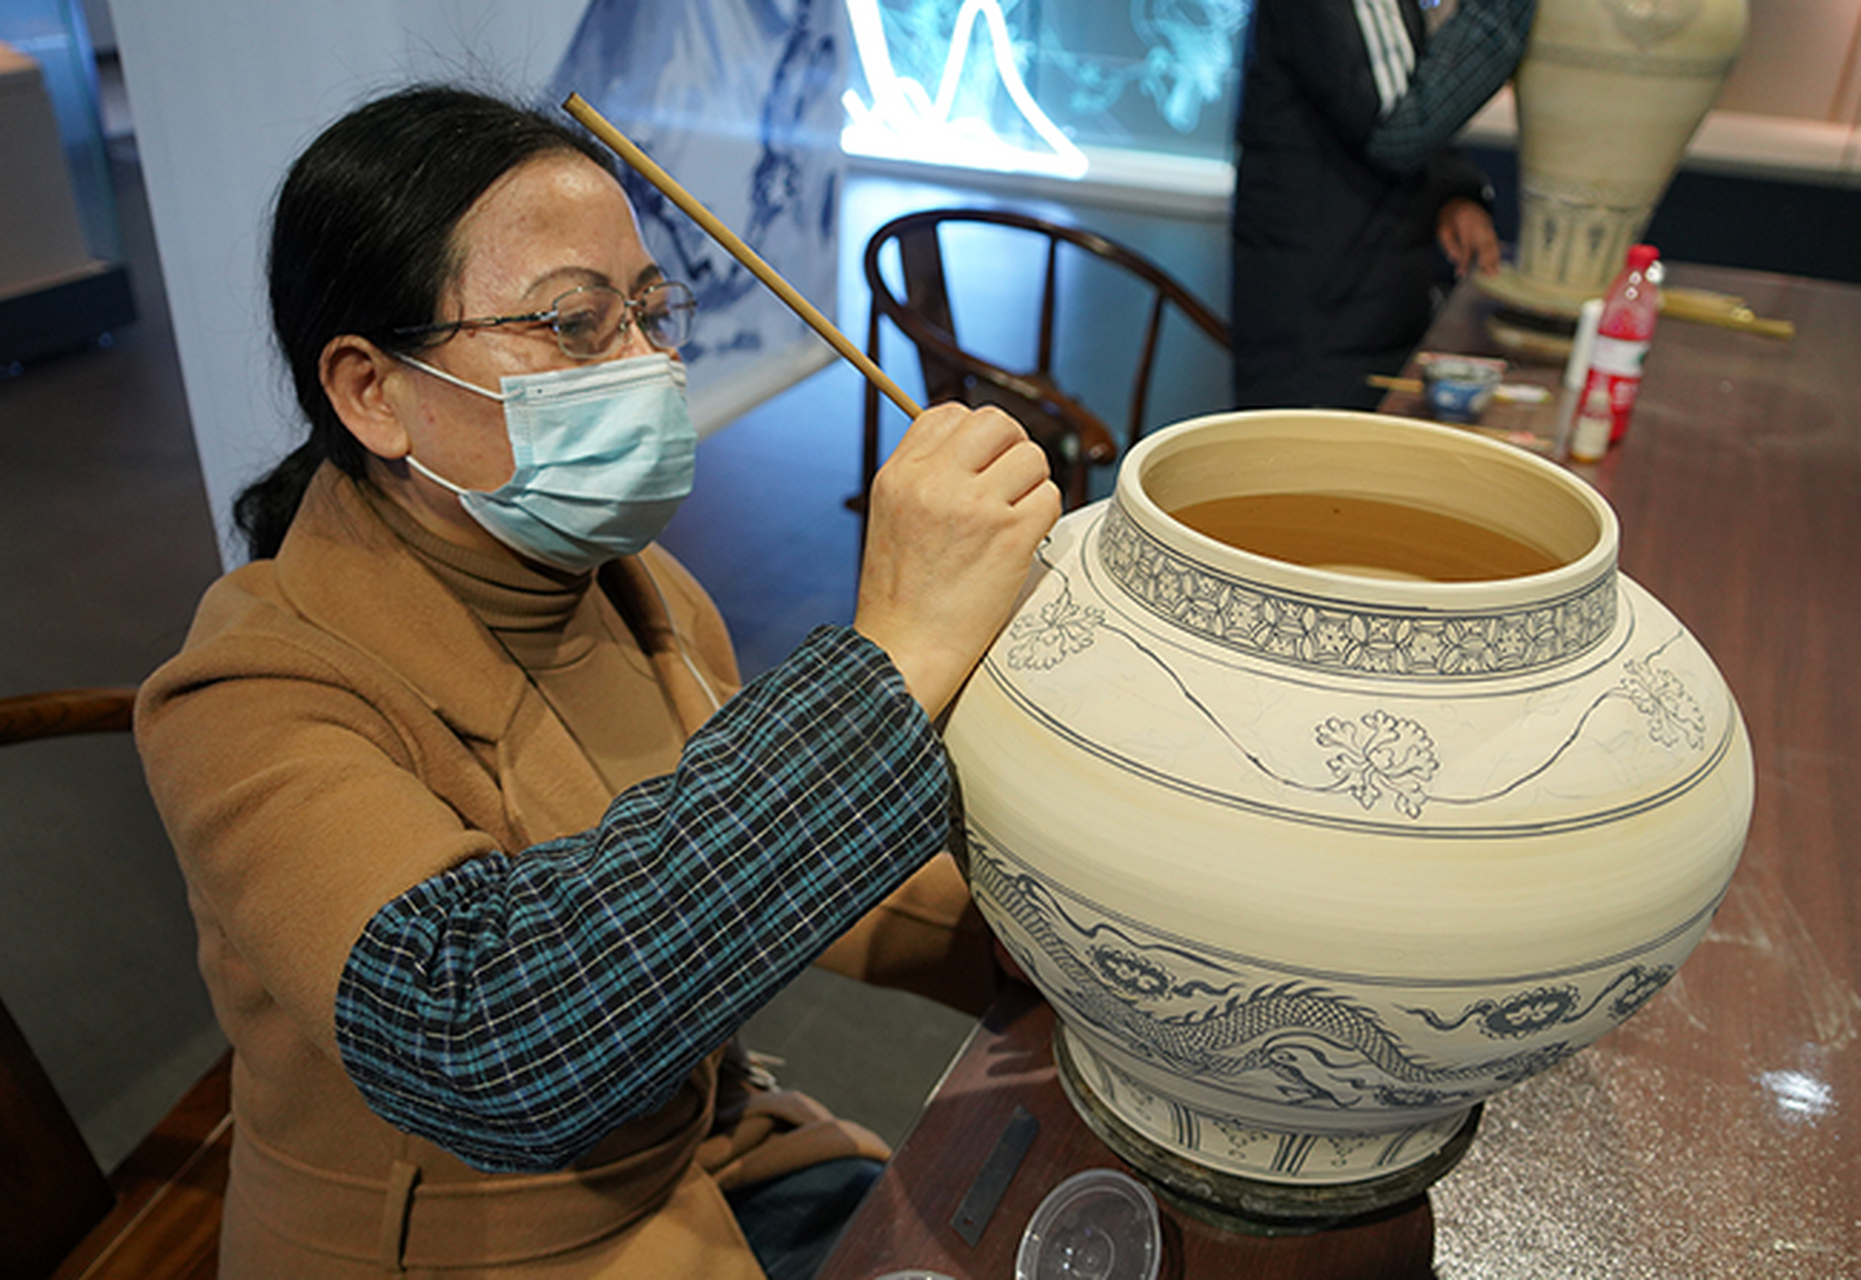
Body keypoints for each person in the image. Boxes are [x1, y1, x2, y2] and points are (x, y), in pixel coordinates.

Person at [134, 85, 1059, 1279]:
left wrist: (1064, 937)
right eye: (574, 324)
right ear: (372, 391)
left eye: (650, 312)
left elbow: (742, 854)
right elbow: (492, 1040)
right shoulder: (245, 694)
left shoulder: (635, 588)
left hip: (707, 1156)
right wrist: (896, 653)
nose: (645, 365)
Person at [1228, 0, 1536, 409]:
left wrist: (1452, 194)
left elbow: (1392, 95)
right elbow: (1396, 129)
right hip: (1327, 335)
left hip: (1360, 309)